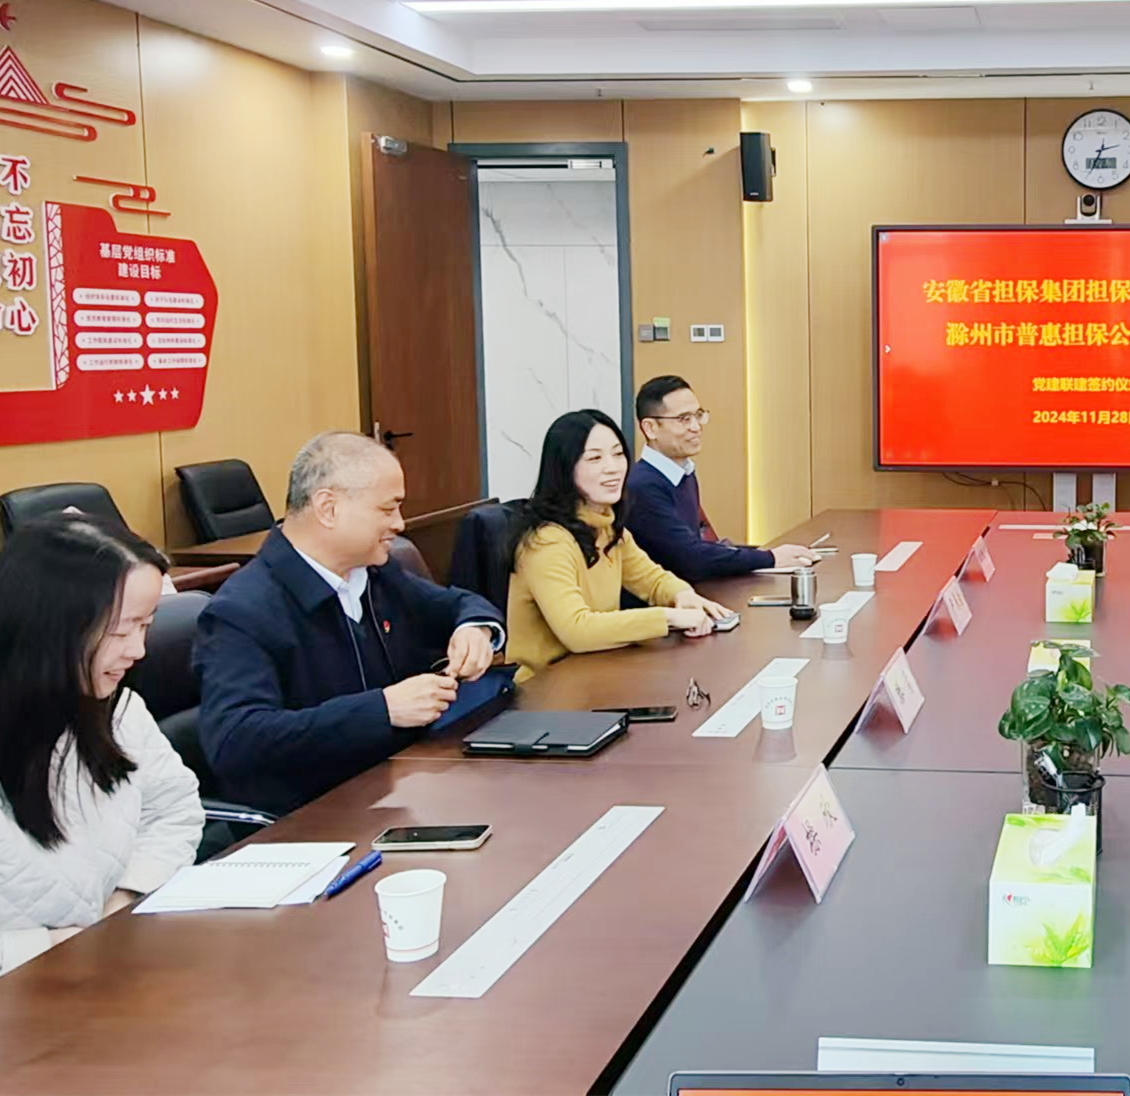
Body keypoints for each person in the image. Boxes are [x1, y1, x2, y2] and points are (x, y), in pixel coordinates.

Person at [195, 433, 504, 816]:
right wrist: (383, 709)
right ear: (328, 509)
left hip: (399, 787)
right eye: (387, 509)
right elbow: (236, 740)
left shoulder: (373, 574)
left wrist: (474, 628)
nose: (399, 524)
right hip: (313, 817)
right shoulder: (242, 610)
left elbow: (457, 604)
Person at [0, 516, 203, 974]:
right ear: (49, 624)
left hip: (109, 967)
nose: (138, 650)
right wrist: (50, 944)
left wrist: (125, 899)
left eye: (146, 626)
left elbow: (173, 809)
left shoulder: (120, 711)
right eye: (121, 630)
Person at [508, 409, 733, 677]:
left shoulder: (606, 525)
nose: (613, 467)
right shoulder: (547, 541)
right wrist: (668, 617)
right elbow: (577, 631)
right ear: (565, 469)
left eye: (618, 454)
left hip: (598, 672)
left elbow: (652, 579)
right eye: (594, 458)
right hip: (547, 686)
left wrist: (683, 595)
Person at [624, 375, 821, 581]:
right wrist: (770, 558)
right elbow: (690, 558)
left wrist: (768, 554)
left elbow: (700, 547)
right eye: (684, 419)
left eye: (698, 415)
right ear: (650, 428)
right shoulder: (642, 487)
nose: (696, 427)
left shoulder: (682, 473)